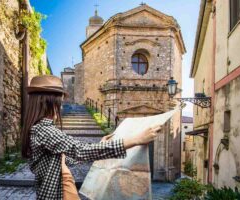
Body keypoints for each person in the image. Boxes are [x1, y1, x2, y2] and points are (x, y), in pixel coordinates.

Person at [21, 75, 161, 200]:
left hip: (63, 186)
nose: (61, 108)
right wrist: (136, 139)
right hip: (59, 190)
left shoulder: (39, 129)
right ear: (47, 103)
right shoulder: (44, 130)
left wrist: (98, 147)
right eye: (59, 104)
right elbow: (80, 150)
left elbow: (65, 158)